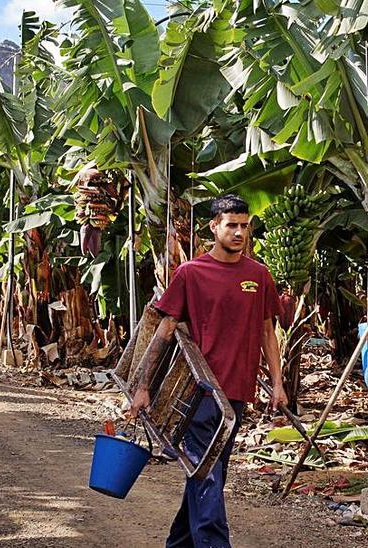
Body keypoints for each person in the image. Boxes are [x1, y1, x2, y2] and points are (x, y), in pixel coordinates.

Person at [127, 194, 287, 548]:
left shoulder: (258, 275)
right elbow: (165, 330)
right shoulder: (191, 273)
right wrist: (144, 386)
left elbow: (266, 331)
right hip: (199, 392)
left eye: (245, 226)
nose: (239, 232)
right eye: (232, 225)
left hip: (238, 393)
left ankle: (178, 544)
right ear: (214, 227)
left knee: (210, 473)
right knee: (208, 474)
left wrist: (277, 383)